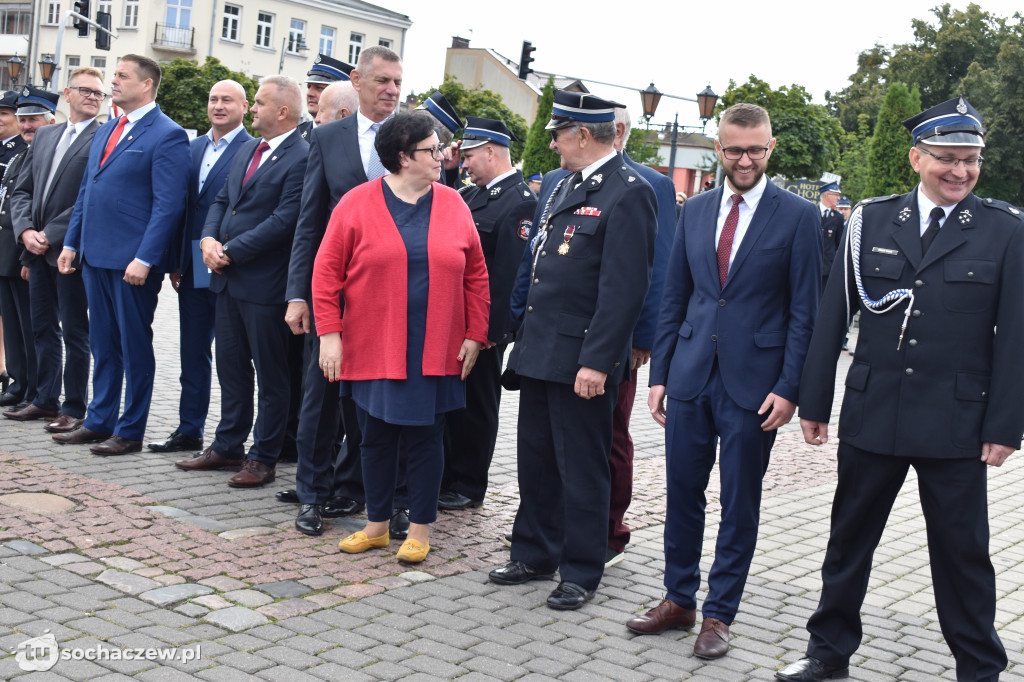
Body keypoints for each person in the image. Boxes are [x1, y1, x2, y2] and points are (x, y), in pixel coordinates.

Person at [776, 96, 1024, 682]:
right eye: (946, 158)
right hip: (874, 411)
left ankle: (980, 667)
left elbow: (1016, 335)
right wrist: (816, 401)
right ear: (917, 157)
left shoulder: (1005, 230)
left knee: (964, 557)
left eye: (970, 160)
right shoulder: (872, 220)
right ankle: (827, 653)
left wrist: (1005, 426)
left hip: (958, 422)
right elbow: (830, 316)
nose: (959, 171)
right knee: (848, 543)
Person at [629, 103, 820, 659]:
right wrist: (660, 373)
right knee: (682, 494)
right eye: (734, 149)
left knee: (740, 502)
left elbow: (804, 312)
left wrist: (789, 388)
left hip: (754, 386)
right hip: (689, 377)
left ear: (770, 148)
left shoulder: (798, 215)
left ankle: (719, 615)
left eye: (755, 149)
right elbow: (675, 297)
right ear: (719, 148)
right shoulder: (697, 210)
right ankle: (677, 599)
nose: (745, 159)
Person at [488, 91, 656, 611]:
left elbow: (623, 288)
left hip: (581, 358)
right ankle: (534, 551)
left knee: (582, 467)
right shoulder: (565, 184)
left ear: (583, 135)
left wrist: (596, 360)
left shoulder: (629, 192)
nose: (553, 142)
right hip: (540, 349)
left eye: (559, 133)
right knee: (536, 458)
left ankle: (581, 568)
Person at [313, 112, 489, 563]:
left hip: (435, 346)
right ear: (403, 157)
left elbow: (476, 274)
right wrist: (329, 334)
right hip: (372, 341)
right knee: (374, 437)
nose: (443, 156)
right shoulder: (356, 203)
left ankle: (420, 529)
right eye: (432, 149)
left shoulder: (454, 203)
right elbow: (326, 272)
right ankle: (375, 525)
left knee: (427, 439)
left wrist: (476, 333)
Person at [282, 45, 407, 537]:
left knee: (382, 404)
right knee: (320, 400)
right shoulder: (328, 137)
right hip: (333, 294)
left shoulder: (413, 135)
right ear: (357, 81)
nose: (391, 92)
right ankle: (312, 496)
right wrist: (299, 294)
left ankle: (377, 497)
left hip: (394, 299)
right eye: (382, 82)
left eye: (397, 83)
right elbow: (308, 223)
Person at [174, 76, 308, 488]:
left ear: (281, 111)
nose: (252, 110)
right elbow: (221, 201)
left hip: (265, 286)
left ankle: (263, 457)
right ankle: (227, 444)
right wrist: (209, 241)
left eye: (259, 103)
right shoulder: (249, 147)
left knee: (271, 377)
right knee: (231, 369)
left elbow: (285, 221)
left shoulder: (302, 155)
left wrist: (230, 251)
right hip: (226, 282)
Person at [54, 54, 191, 455]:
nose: (113, 82)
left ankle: (129, 431)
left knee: (133, 346)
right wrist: (71, 243)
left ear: (146, 84)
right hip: (95, 255)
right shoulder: (108, 128)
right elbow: (87, 192)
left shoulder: (167, 133)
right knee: (103, 343)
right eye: (114, 75)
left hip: (132, 263)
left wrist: (146, 258)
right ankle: (99, 421)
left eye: (121, 76)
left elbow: (169, 205)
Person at [148, 80, 252, 455]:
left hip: (232, 264)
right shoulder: (190, 148)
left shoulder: (253, 150)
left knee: (232, 356)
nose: (218, 106)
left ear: (244, 106)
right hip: (192, 263)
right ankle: (189, 429)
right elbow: (181, 208)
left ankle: (230, 439)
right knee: (193, 352)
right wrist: (178, 261)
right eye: (213, 99)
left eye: (227, 100)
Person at [438, 116, 535, 511]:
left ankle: (468, 483)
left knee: (477, 406)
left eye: (471, 155)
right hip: (455, 320)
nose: (465, 163)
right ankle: (447, 474)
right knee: (452, 404)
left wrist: (491, 332)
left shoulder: (520, 201)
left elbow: (509, 276)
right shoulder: (471, 195)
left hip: (483, 327)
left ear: (491, 152)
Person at [5, 71, 101, 432]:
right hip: (35, 249)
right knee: (42, 327)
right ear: (67, 94)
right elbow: (21, 191)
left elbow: (88, 197)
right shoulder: (45, 134)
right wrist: (26, 231)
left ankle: (74, 406)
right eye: (85, 90)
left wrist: (50, 233)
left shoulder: (101, 136)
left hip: (70, 252)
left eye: (99, 93)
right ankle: (44, 400)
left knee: (76, 332)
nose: (93, 97)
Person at [604, 106, 676, 568]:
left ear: (621, 132)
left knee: (611, 436)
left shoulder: (652, 183)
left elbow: (660, 264)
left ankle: (610, 530)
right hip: (563, 336)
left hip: (619, 340)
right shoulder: (558, 177)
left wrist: (644, 338)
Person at [0, 87, 57, 413]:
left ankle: (36, 389)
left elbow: (37, 208)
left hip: (29, 251)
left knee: (34, 326)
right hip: (8, 250)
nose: (27, 126)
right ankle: (20, 384)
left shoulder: (42, 154)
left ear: (50, 120)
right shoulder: (22, 154)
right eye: (23, 120)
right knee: (14, 324)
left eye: (34, 119)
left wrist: (25, 254)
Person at [0, 89, 26, 408]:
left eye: (5, 114)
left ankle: (14, 374)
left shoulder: (23, 152)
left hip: (11, 242)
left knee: (15, 316)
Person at [296, 54, 353, 141]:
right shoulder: (297, 134)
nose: (309, 93)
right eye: (309, 87)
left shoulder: (352, 138)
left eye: (319, 88)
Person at [818, 181, 844, 290]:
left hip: (828, 267)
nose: (838, 198)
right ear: (827, 195)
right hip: (811, 264)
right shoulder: (811, 211)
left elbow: (839, 243)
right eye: (836, 195)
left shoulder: (838, 217)